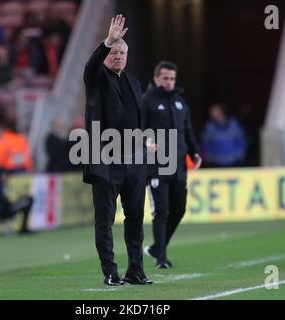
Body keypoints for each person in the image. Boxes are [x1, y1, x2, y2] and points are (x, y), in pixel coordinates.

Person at [83, 15, 152, 286]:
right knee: (105, 221)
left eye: (122, 52)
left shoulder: (132, 81)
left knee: (135, 218)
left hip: (135, 161)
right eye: (114, 52)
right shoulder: (97, 78)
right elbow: (90, 66)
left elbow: (139, 116)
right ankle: (110, 272)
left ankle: (136, 270)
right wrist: (108, 40)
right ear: (107, 55)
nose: (119, 56)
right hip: (106, 161)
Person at [142, 61, 202, 269]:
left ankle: (157, 247)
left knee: (179, 209)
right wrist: (146, 140)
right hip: (156, 165)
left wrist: (194, 151)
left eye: (172, 79)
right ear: (156, 78)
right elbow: (138, 128)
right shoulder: (146, 101)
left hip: (178, 165)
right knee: (161, 211)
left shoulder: (180, 103)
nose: (169, 82)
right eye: (165, 78)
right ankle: (161, 258)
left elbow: (188, 130)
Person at [0, 167, 33, 234]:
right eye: (4, 176)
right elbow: (3, 203)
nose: (6, 178)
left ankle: (24, 227)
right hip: (1, 212)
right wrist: (14, 203)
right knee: (28, 202)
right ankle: (24, 228)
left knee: (28, 200)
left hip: (2, 210)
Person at [202, 103, 246, 167]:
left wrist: (239, 154)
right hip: (216, 162)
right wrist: (209, 156)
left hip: (233, 161)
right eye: (211, 112)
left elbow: (241, 140)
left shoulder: (233, 124)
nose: (213, 114)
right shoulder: (209, 127)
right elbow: (205, 144)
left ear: (221, 111)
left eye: (215, 111)